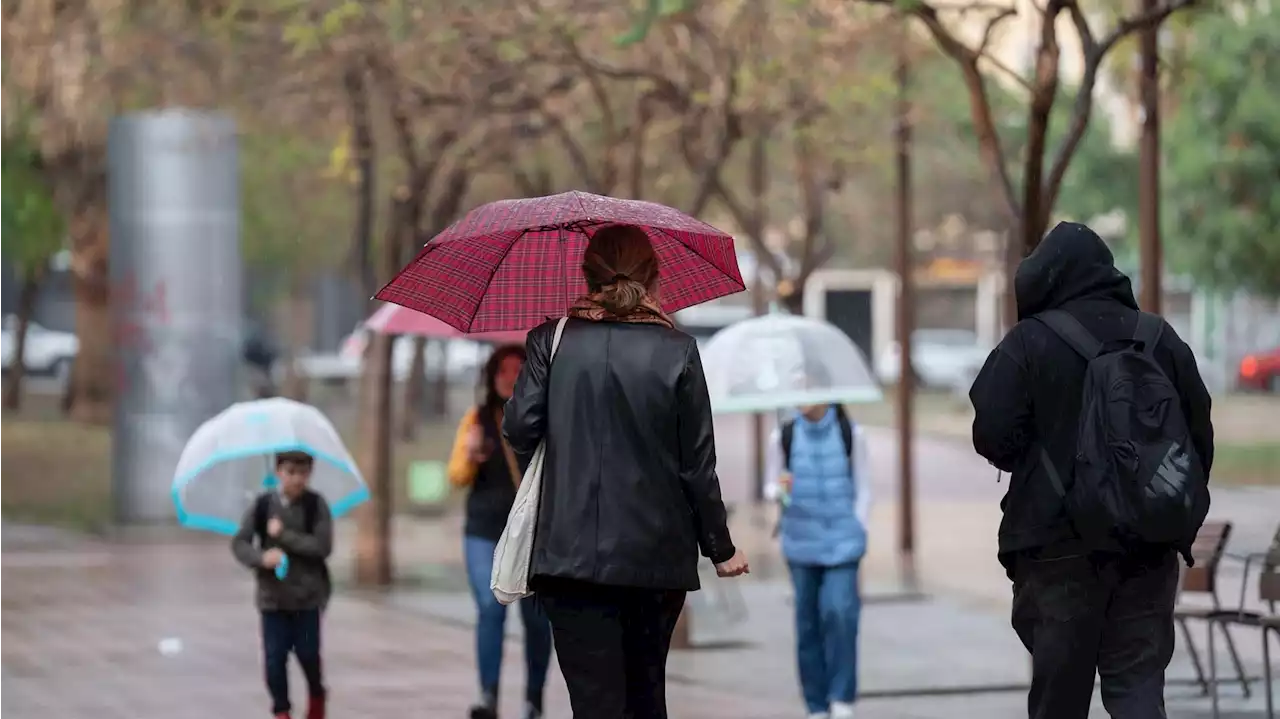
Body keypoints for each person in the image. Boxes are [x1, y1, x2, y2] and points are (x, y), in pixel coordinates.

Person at [502, 222, 750, 719]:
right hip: (654, 558)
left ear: (586, 276)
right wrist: (719, 549)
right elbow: (697, 465)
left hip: (567, 557)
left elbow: (519, 426)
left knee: (594, 704)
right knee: (645, 697)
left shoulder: (551, 341)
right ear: (655, 276)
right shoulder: (677, 350)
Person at [969, 221, 1214, 719]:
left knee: (1060, 699)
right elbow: (1198, 439)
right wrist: (1154, 504)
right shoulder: (1159, 338)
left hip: (1057, 552)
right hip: (1146, 549)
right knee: (1138, 691)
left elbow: (991, 434)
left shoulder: (1029, 342)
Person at [447, 344, 553, 719]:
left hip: (534, 534)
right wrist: (471, 456)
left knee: (538, 618)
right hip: (485, 532)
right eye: (503, 370)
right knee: (491, 608)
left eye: (518, 369)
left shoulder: (546, 417)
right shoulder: (477, 418)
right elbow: (456, 476)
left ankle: (533, 701)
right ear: (492, 377)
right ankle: (488, 695)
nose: (511, 377)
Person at [765, 403, 871, 719]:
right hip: (800, 542)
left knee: (840, 613)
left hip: (843, 542)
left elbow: (864, 486)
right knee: (807, 622)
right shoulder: (782, 436)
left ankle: (841, 697)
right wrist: (779, 490)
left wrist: (859, 525)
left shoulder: (851, 433)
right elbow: (772, 484)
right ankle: (816, 705)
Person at [231, 450, 334, 719]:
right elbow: (240, 543)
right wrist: (261, 558)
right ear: (278, 472)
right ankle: (281, 710)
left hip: (307, 597)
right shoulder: (263, 505)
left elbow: (322, 547)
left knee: (309, 655)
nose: (297, 479)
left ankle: (316, 696)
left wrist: (284, 536)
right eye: (290, 472)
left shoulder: (315, 505)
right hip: (272, 598)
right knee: (274, 661)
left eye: (303, 473)